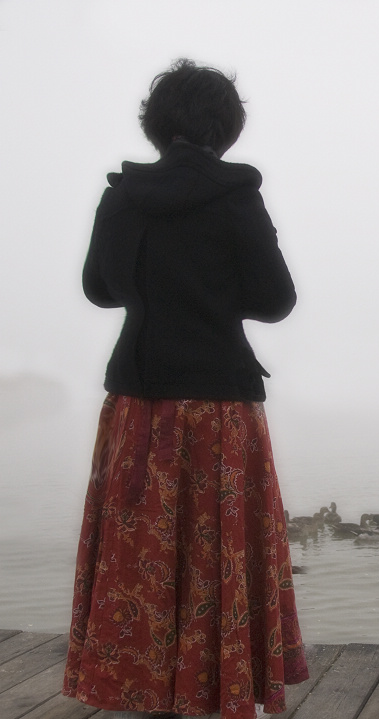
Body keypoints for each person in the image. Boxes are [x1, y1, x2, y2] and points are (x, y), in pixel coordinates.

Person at [62, 59, 309, 719]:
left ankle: (148, 687)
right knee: (215, 550)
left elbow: (98, 287)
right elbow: (276, 299)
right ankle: (216, 685)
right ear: (225, 129)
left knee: (142, 548)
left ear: (156, 126)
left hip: (138, 401)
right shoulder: (236, 197)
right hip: (219, 407)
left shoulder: (123, 195)